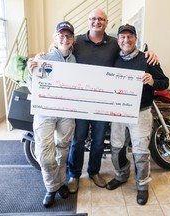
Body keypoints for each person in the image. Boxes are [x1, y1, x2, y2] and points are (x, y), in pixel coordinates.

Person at [67, 8, 161, 194]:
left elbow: (132, 50)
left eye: (101, 19)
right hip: (82, 102)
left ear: (106, 22)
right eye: (93, 19)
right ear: (88, 21)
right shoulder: (76, 41)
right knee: (78, 140)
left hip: (106, 104)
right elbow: (60, 48)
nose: (97, 22)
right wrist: (40, 57)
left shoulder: (113, 43)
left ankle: (94, 172)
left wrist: (151, 54)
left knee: (99, 141)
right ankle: (74, 175)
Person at [105, 24, 169, 205]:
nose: (126, 40)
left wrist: (152, 81)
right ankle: (121, 175)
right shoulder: (113, 60)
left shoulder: (147, 59)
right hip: (119, 112)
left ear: (136, 39)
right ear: (118, 40)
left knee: (140, 152)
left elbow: (165, 82)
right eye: (122, 37)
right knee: (117, 147)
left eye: (130, 36)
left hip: (141, 112)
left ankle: (142, 185)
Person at [28, 21, 76, 208]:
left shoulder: (75, 60)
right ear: (55, 38)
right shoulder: (43, 59)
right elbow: (34, 89)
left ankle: (60, 183)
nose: (65, 38)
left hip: (66, 112)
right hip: (44, 113)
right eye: (61, 35)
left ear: (73, 39)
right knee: (44, 154)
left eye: (68, 35)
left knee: (63, 149)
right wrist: (31, 72)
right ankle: (51, 187)